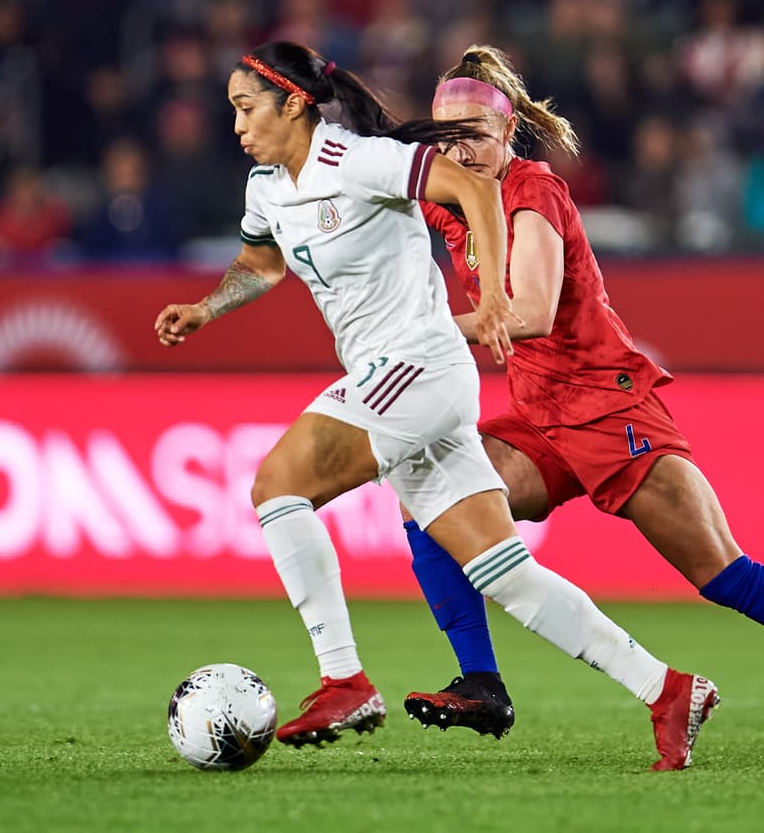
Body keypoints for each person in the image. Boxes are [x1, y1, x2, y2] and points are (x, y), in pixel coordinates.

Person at [153, 41, 717, 773]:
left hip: (417, 364)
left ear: (294, 103)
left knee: (275, 486)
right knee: (505, 571)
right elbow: (261, 262)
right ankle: (667, 688)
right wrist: (206, 307)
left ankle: (344, 679)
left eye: (246, 107)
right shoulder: (267, 187)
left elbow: (476, 191)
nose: (236, 124)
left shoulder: (356, 161)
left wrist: (488, 304)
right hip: (397, 378)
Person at [400, 46, 764, 762]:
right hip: (540, 415)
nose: (460, 147)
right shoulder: (450, 195)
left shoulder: (534, 191)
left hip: (606, 408)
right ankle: (482, 681)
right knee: (426, 493)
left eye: (476, 133)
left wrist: (416, 335)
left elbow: (528, 312)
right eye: (445, 135)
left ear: (508, 134)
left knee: (726, 574)